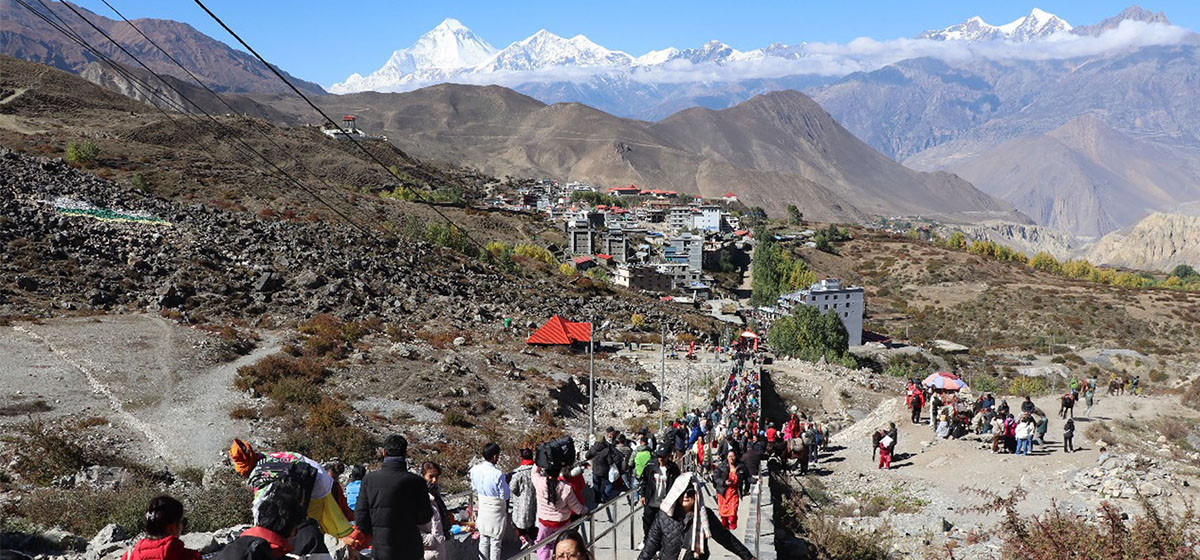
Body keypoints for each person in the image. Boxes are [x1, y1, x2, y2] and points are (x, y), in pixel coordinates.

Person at [228, 439, 355, 545]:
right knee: (327, 518)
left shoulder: (259, 474)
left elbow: (260, 503)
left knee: (307, 526)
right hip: (318, 476)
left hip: (313, 485)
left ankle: (330, 546)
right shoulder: (266, 457)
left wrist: (259, 529)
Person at [354, 435, 435, 560]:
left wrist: (376, 532)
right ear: (405, 453)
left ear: (384, 452)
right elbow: (425, 517)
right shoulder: (417, 482)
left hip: (382, 550)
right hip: (411, 549)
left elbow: (361, 519)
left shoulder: (369, 480)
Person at [638, 474, 755, 560]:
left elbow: (725, 538)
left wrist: (747, 556)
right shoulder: (664, 515)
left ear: (696, 495)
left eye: (690, 493)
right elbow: (650, 546)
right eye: (682, 492)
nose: (685, 496)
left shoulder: (705, 515)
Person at [218, 487, 306, 560]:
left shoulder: (236, 547)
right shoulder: (268, 554)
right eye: (295, 529)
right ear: (288, 529)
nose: (295, 534)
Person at [532, 461, 587, 560]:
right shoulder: (566, 488)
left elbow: (534, 472)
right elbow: (577, 508)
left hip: (544, 522)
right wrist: (585, 510)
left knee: (542, 544)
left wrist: (539, 460)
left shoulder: (539, 483)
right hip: (562, 523)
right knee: (562, 544)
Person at [122, 496, 202, 560]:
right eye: (183, 521)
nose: (182, 526)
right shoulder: (191, 557)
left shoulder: (129, 555)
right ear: (172, 527)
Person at [470, 442, 510, 560]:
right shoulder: (498, 474)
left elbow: (474, 487)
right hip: (496, 511)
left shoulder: (474, 470)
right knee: (495, 542)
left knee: (483, 539)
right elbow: (505, 495)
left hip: (483, 507)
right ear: (494, 456)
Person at [639, 447, 681, 544]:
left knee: (663, 525)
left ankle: (660, 544)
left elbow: (678, 484)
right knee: (648, 523)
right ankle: (647, 541)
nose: (660, 459)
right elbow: (643, 480)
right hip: (651, 501)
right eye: (659, 456)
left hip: (665, 503)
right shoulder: (650, 465)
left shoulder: (673, 468)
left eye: (663, 457)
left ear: (668, 456)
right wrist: (642, 495)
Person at [417, 462, 451, 560]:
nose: (434, 480)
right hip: (427, 550)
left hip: (438, 547)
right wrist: (429, 540)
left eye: (436, 476)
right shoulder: (417, 496)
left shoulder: (436, 495)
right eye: (431, 476)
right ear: (423, 475)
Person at [712, 451, 747, 530]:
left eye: (733, 456)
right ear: (727, 457)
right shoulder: (721, 467)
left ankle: (733, 526)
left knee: (733, 510)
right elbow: (716, 478)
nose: (732, 458)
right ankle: (724, 526)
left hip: (734, 492)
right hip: (723, 492)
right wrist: (724, 482)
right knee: (723, 512)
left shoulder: (740, 466)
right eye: (730, 456)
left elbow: (747, 477)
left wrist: (755, 481)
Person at [510, 449, 539, 546]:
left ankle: (524, 539)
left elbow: (512, 488)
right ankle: (533, 542)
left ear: (521, 457)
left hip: (521, 504)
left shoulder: (518, 473)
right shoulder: (538, 470)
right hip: (535, 503)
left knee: (520, 524)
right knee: (533, 525)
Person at [587, 428, 618, 504]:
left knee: (596, 485)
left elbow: (587, 455)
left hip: (595, 470)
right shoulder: (606, 450)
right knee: (609, 485)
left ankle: (597, 499)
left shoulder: (593, 448)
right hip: (604, 471)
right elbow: (610, 461)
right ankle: (604, 497)